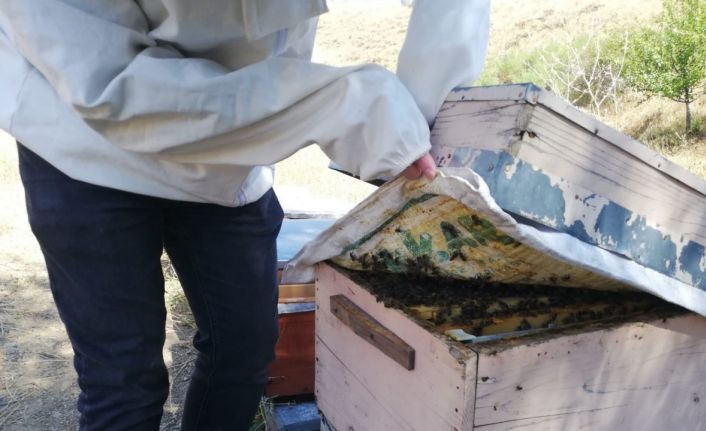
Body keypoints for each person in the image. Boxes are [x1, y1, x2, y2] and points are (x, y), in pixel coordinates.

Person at [0, 0, 488, 429]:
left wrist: (420, 119)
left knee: (245, 348)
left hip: (234, 147)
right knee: (124, 379)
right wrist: (350, 105)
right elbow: (110, 87)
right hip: (81, 145)